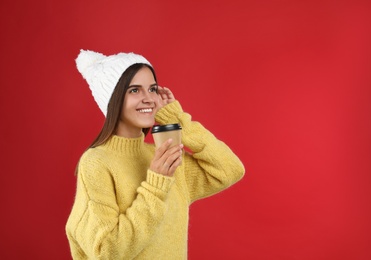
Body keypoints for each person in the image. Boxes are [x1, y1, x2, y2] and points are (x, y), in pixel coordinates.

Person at [66, 49, 245, 259]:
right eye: (134, 90)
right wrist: (156, 185)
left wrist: (177, 120)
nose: (149, 98)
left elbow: (230, 169)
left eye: (152, 89)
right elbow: (106, 252)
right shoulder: (96, 162)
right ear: (112, 99)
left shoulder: (162, 156)